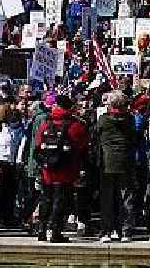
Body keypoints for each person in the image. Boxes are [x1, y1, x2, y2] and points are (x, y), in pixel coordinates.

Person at [35, 95, 88, 243]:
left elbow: (38, 145)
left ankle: (41, 230)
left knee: (46, 199)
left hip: (47, 170)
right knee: (61, 201)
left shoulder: (46, 123)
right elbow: (82, 146)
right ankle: (55, 232)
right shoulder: (75, 125)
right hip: (66, 170)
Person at [94, 91, 140, 242]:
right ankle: (125, 231)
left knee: (107, 198)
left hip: (107, 163)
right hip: (126, 161)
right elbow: (134, 138)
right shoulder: (130, 119)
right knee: (126, 197)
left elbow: (97, 136)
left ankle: (106, 231)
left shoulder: (103, 119)